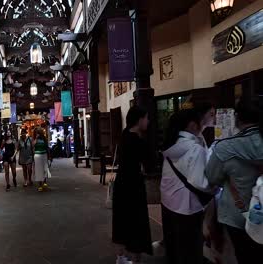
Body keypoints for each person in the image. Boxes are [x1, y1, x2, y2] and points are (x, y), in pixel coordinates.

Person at [206, 100, 263, 263]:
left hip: (238, 214)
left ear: (237, 117)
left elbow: (212, 177)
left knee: (244, 255)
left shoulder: (225, 147)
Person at [160, 109, 214, 264]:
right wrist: (217, 182)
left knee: (175, 248)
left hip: (168, 203)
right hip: (188, 207)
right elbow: (200, 183)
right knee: (190, 250)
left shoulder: (172, 144)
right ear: (192, 125)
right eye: (200, 121)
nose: (202, 124)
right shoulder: (195, 148)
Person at [112, 106, 151, 264]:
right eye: (146, 117)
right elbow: (149, 161)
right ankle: (136, 259)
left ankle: (120, 257)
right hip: (134, 184)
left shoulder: (124, 135)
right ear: (140, 119)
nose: (148, 121)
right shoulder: (137, 140)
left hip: (122, 183)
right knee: (137, 220)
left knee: (122, 220)